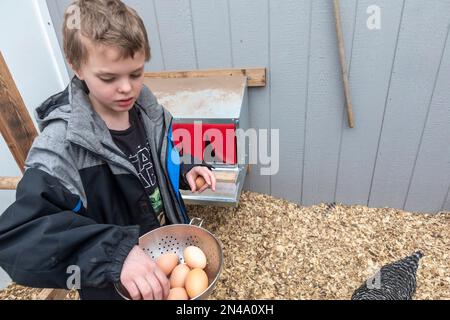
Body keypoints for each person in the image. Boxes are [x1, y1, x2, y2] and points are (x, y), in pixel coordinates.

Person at [0, 0, 216, 300]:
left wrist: (190, 166)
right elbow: (17, 239)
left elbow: (171, 144)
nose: (127, 88)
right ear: (76, 67)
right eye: (109, 78)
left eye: (136, 73)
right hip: (113, 285)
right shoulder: (62, 146)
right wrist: (114, 253)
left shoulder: (147, 110)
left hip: (163, 253)